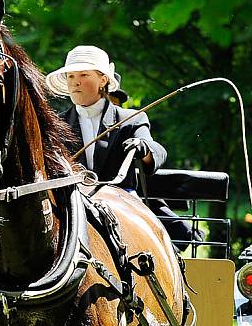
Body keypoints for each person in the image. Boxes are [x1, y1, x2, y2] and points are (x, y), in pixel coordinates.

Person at [45, 45, 203, 250]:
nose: (75, 82)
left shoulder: (130, 119)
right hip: (72, 203)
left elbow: (158, 151)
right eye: (71, 76)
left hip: (122, 201)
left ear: (103, 80)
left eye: (84, 74)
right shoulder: (56, 124)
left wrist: (143, 148)